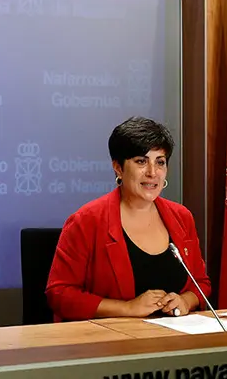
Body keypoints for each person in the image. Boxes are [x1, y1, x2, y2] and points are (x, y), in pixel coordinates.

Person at [45, 116, 211, 321]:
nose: (152, 173)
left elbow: (200, 283)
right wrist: (127, 308)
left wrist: (185, 301)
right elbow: (59, 293)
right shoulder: (86, 221)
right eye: (141, 161)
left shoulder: (181, 217)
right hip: (111, 337)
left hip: (173, 335)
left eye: (160, 162)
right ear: (118, 167)